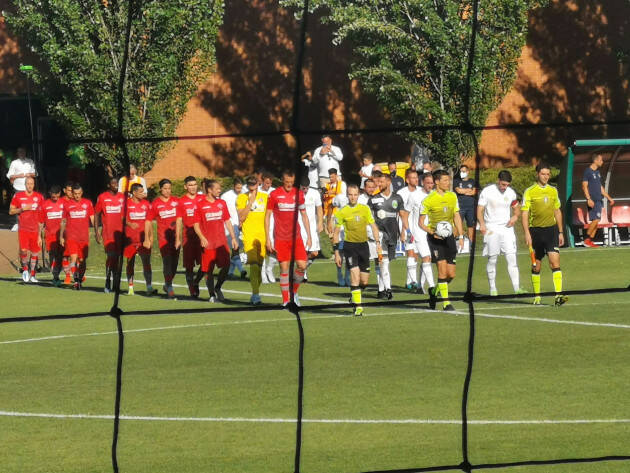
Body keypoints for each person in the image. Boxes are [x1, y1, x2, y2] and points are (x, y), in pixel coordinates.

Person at [521, 162, 567, 306]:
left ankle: (558, 296)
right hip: (535, 232)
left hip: (551, 231)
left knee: (555, 262)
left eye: (548, 174)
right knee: (536, 266)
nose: (546, 176)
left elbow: (557, 211)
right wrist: (527, 233)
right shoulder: (529, 191)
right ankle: (537, 297)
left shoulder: (553, 190)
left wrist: (560, 232)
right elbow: (524, 214)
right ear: (537, 174)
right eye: (543, 174)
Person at [419, 170, 465, 311]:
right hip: (435, 239)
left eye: (448, 180)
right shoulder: (428, 200)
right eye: (445, 180)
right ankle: (446, 303)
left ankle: (434, 292)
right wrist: (433, 232)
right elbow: (421, 223)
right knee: (442, 271)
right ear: (437, 182)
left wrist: (461, 236)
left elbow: (456, 216)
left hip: (449, 238)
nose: (448, 183)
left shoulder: (452, 196)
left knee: (451, 274)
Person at [265, 169, 312, 306]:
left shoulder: (298, 194)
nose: (289, 185)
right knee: (284, 269)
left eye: (291, 182)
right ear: (282, 180)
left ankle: (294, 292)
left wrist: (309, 236)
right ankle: (286, 300)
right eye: (287, 182)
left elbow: (304, 215)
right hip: (280, 238)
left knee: (302, 265)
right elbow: (267, 216)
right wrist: (268, 238)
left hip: (296, 237)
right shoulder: (274, 195)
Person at [333, 184, 381, 316]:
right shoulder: (342, 212)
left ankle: (354, 297)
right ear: (347, 195)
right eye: (350, 194)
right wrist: (337, 253)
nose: (353, 197)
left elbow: (374, 226)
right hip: (350, 247)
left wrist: (378, 243)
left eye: (355, 195)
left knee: (364, 282)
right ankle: (358, 307)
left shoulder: (365, 209)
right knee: (354, 275)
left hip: (363, 246)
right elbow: (336, 233)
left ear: (358, 195)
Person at [477, 170, 527, 296]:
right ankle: (493, 289)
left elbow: (516, 209)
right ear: (498, 181)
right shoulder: (487, 191)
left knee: (511, 257)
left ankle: (517, 288)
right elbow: (479, 210)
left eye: (507, 185)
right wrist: (482, 224)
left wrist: (515, 217)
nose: (505, 187)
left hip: (507, 229)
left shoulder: (511, 193)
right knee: (492, 259)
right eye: (503, 184)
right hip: (491, 228)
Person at [194, 179, 239, 302]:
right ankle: (211, 294)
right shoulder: (200, 204)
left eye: (220, 188)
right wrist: (202, 238)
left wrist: (233, 238)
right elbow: (196, 225)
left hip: (221, 241)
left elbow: (227, 221)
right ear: (209, 190)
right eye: (217, 188)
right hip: (208, 243)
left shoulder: (222, 203)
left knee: (226, 266)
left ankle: (218, 287)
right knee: (208, 269)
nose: (220, 191)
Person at [368, 172, 408, 299]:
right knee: (382, 261)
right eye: (378, 182)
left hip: (392, 235)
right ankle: (388, 289)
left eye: (381, 182)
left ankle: (380, 290)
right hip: (379, 235)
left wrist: (404, 231)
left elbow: (402, 215)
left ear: (389, 182)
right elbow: (369, 218)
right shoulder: (373, 199)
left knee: (384, 262)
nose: (379, 184)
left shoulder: (397, 198)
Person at [399, 169, 436, 294]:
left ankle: (420, 286)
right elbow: (405, 214)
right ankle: (431, 286)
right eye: (428, 183)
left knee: (428, 258)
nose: (430, 185)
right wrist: (406, 230)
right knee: (423, 257)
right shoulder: (414, 196)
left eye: (432, 183)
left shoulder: (435, 195)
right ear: (422, 183)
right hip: (417, 232)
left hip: (431, 232)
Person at [237, 176, 269, 305]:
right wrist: (250, 202)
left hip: (262, 236)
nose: (252, 186)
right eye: (249, 184)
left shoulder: (265, 197)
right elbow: (241, 217)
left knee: (259, 267)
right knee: (254, 264)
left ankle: (255, 291)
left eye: (254, 184)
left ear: (258, 184)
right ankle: (256, 295)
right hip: (249, 235)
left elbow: (268, 216)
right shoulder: (241, 198)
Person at [59, 183, 95, 290]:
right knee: (73, 258)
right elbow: (63, 221)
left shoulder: (88, 203)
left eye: (79, 193)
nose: (77, 196)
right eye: (75, 194)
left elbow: (92, 218)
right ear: (72, 194)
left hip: (83, 236)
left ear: (82, 193)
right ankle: (76, 281)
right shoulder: (67, 205)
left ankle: (80, 278)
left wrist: (97, 232)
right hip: (71, 236)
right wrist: (61, 236)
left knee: (82, 260)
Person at [9, 176, 44, 282]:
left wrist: (39, 235)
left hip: (35, 230)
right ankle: (25, 270)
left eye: (32, 184)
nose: (30, 186)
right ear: (25, 184)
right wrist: (22, 209)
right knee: (23, 250)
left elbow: (41, 217)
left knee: (34, 252)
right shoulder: (18, 196)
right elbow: (11, 211)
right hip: (23, 229)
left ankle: (33, 275)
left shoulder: (39, 197)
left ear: (34, 185)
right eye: (28, 183)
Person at [94, 177, 125, 293]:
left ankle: (116, 284)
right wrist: (97, 232)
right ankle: (107, 281)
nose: (116, 185)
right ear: (108, 185)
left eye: (117, 183)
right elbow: (96, 214)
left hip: (120, 233)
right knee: (111, 257)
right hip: (108, 233)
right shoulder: (102, 197)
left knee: (117, 259)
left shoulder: (123, 197)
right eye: (113, 183)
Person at [123, 183, 154, 296]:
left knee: (146, 262)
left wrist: (150, 237)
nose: (143, 193)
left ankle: (149, 287)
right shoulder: (127, 204)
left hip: (143, 240)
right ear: (134, 193)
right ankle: (130, 288)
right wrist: (130, 224)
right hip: (130, 240)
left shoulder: (146, 204)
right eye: (141, 192)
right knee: (130, 263)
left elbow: (149, 222)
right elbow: (122, 219)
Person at [151, 179, 181, 298]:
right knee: (167, 261)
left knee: (174, 263)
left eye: (169, 188)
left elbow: (179, 219)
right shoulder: (155, 204)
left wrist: (178, 237)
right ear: (160, 189)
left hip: (175, 236)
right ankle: (169, 286)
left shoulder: (176, 201)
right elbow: (148, 220)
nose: (168, 191)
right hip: (163, 237)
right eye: (165, 188)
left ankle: (167, 283)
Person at [178, 176, 205, 297]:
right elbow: (179, 221)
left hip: (202, 237)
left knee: (205, 264)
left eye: (195, 184)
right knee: (189, 266)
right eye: (190, 185)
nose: (193, 187)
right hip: (188, 237)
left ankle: (196, 282)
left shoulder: (203, 198)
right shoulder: (181, 201)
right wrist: (178, 238)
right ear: (185, 187)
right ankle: (191, 290)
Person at [582, 153, 615, 247]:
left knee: (597, 221)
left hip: (598, 200)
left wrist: (609, 198)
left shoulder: (597, 172)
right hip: (592, 200)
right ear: (595, 161)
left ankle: (590, 241)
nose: (602, 162)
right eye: (600, 160)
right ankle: (586, 239)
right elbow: (584, 186)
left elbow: (600, 187)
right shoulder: (587, 171)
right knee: (595, 220)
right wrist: (588, 199)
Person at [298, 176, 323, 282]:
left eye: (307, 188)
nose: (305, 190)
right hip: (299, 226)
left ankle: (301, 269)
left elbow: (319, 209)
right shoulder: (295, 194)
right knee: (302, 251)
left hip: (312, 227)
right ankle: (303, 274)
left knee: (314, 253)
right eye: (303, 188)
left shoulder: (315, 193)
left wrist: (320, 223)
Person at [221, 177, 247, 279]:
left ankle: (230, 272)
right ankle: (242, 270)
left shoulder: (245, 194)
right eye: (237, 188)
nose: (239, 190)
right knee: (234, 249)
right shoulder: (226, 196)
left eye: (240, 188)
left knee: (239, 249)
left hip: (242, 225)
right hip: (230, 226)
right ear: (233, 186)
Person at [6, 147, 37, 231]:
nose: (21, 153)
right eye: (20, 151)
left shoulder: (30, 161)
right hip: (18, 187)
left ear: (25, 152)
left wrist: (29, 174)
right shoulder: (14, 163)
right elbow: (9, 175)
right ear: (17, 153)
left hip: (29, 188)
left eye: (23, 151)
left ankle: (29, 223)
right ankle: (17, 223)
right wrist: (18, 176)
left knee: (30, 205)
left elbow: (35, 174)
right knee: (18, 205)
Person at [40, 185, 65, 286]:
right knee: (52, 255)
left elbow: (67, 219)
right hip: (50, 235)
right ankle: (55, 276)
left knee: (61, 256)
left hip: (61, 235)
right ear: (50, 194)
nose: (55, 198)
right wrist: (39, 236)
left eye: (56, 196)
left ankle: (57, 273)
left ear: (59, 194)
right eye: (53, 196)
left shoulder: (64, 203)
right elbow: (41, 222)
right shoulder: (45, 205)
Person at [258, 172, 278, 284]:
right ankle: (262, 274)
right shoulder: (257, 192)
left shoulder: (274, 192)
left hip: (273, 223)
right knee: (262, 249)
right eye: (266, 183)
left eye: (270, 183)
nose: (268, 185)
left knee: (275, 250)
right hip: (260, 223)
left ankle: (269, 269)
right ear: (262, 181)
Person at [453, 164, 477, 250]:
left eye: (463, 171)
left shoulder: (472, 181)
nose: (462, 173)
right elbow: (458, 190)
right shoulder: (456, 181)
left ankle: (471, 247)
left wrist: (464, 191)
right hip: (460, 207)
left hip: (471, 207)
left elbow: (474, 192)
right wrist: (468, 190)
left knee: (471, 227)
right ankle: (453, 245)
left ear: (467, 172)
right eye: (461, 171)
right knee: (457, 227)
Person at [323, 168, 347, 235]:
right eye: (330, 177)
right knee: (329, 234)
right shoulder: (326, 185)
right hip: (327, 212)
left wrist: (333, 192)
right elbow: (323, 198)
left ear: (336, 176)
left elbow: (343, 197)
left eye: (332, 177)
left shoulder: (342, 184)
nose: (331, 179)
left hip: (337, 212)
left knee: (337, 234)